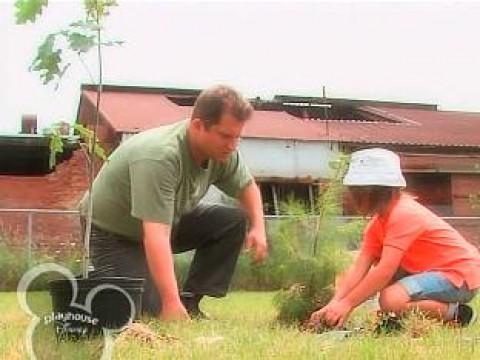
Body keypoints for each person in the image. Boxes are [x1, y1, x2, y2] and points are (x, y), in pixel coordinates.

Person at [80, 85, 268, 321]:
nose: (232, 145)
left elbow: (246, 186)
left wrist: (259, 227)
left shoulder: (224, 153)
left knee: (232, 221)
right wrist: (169, 302)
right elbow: (156, 235)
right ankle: (110, 289)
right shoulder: (160, 156)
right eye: (225, 136)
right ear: (198, 125)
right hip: (112, 232)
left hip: (165, 221)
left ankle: (189, 303)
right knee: (148, 311)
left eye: (237, 136)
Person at [310, 148, 480, 329]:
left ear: (378, 191)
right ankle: (399, 316)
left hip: (458, 276)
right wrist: (335, 303)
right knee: (386, 293)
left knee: (390, 300)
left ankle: (458, 314)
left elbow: (385, 271)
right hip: (430, 272)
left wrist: (347, 304)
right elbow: (359, 269)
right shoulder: (377, 224)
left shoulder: (404, 214)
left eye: (360, 192)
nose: (355, 198)